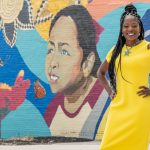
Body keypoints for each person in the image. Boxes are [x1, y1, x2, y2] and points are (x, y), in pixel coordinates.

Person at [44, 5, 109, 138]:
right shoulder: (53, 109)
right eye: (50, 50)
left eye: (64, 51)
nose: (52, 63)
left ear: (87, 64)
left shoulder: (106, 102)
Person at [98, 4, 150, 150]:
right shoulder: (115, 50)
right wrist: (109, 91)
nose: (130, 29)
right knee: (108, 146)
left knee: (136, 146)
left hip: (140, 107)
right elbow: (100, 73)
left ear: (140, 29)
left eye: (134, 26)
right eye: (126, 26)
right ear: (121, 30)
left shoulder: (148, 48)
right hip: (119, 106)